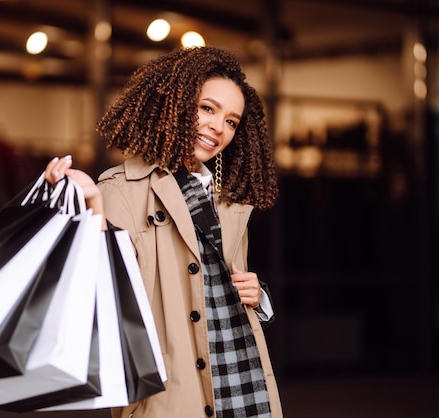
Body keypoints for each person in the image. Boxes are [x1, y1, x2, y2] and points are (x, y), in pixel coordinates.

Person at [45, 46, 282, 418]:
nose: (218, 127)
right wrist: (90, 209)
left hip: (243, 384)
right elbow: (100, 297)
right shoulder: (119, 191)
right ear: (177, 102)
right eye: (207, 108)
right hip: (172, 394)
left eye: (232, 121)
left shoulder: (230, 201)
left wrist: (258, 295)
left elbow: (222, 284)